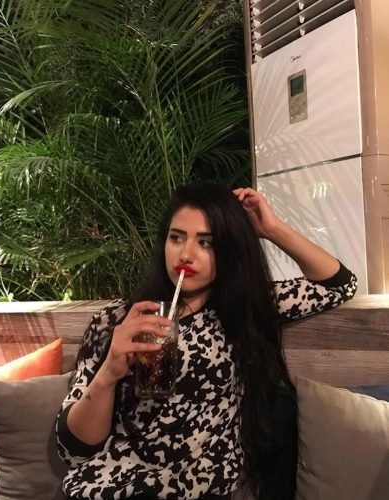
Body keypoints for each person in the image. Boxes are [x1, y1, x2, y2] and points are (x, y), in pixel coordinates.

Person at [56, 183, 357, 500]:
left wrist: (271, 229)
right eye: (176, 238)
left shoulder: (246, 309)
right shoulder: (117, 319)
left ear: (228, 250)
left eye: (206, 242)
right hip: (111, 487)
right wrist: (109, 372)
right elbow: (74, 450)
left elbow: (339, 285)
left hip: (196, 488)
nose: (186, 254)